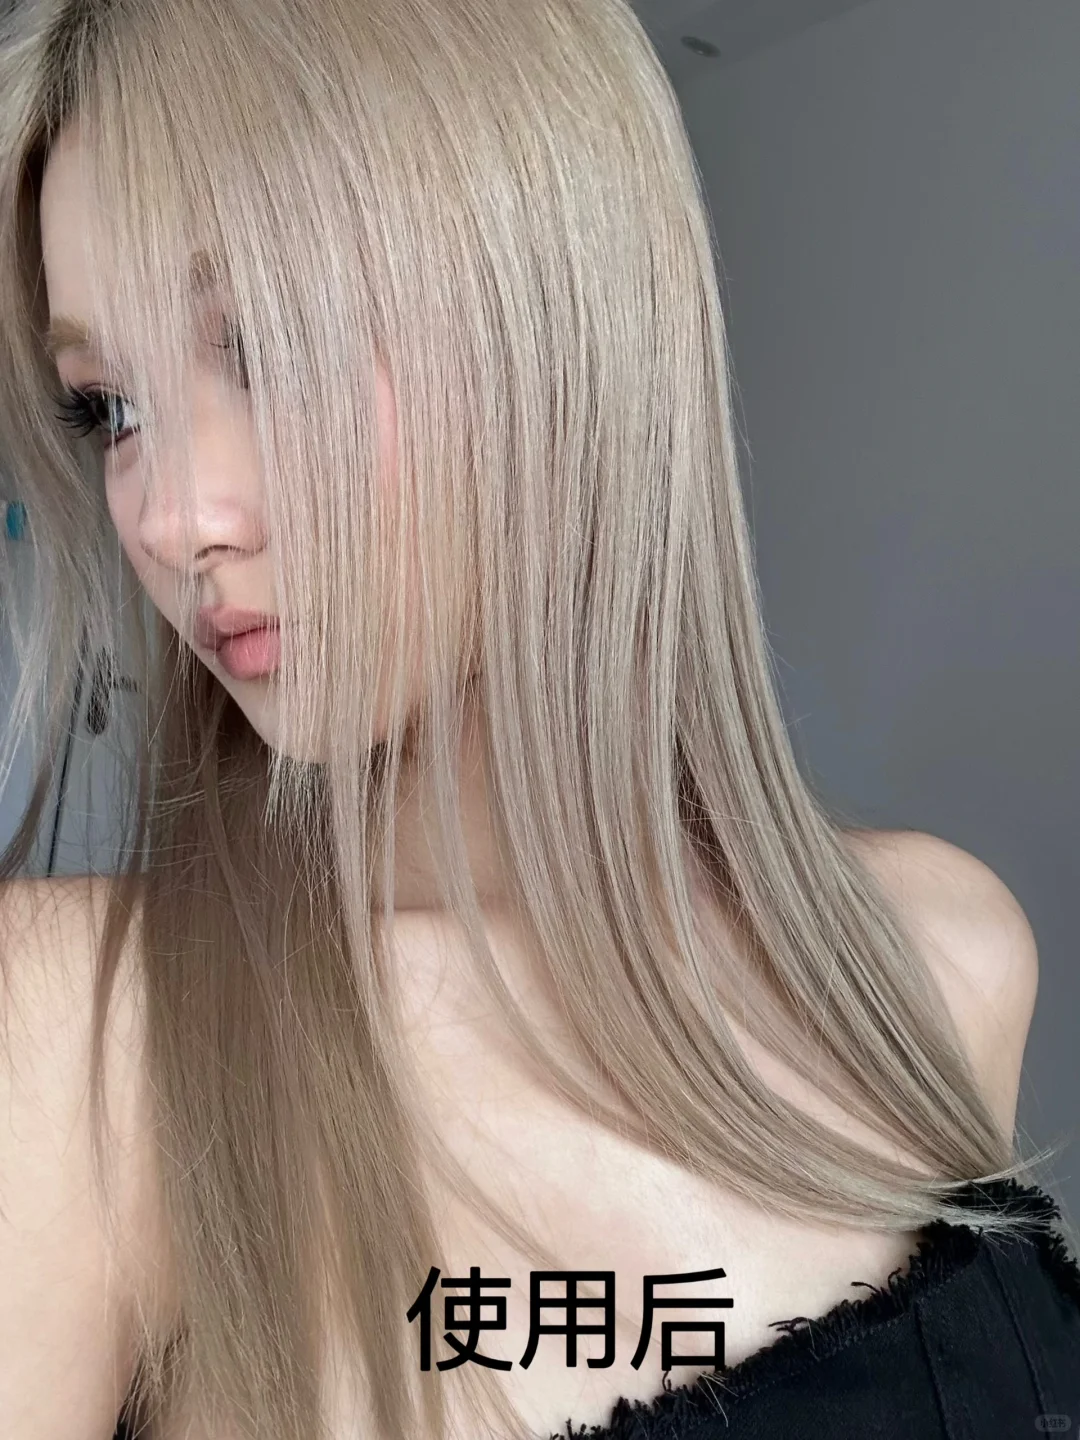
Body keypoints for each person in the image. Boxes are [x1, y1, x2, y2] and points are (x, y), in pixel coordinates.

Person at [0, 2, 1077, 1438]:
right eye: (111, 407)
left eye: (262, 344)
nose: (172, 516)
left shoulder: (936, 958)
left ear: (558, 311)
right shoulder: (82, 1043)